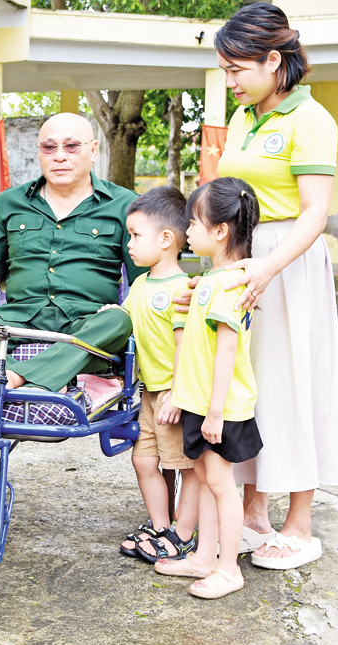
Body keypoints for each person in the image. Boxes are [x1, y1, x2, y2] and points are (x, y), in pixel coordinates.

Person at [201, 2, 338, 569]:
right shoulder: (243, 118)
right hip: (244, 260)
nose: (230, 81)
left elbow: (315, 215)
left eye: (237, 69)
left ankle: (300, 523)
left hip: (289, 263)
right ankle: (254, 511)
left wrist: (267, 267)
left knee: (293, 385)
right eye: (225, 70)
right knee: (246, 386)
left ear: (273, 59)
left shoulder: (312, 120)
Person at [0, 113, 146, 393]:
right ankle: (46, 377)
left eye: (71, 146)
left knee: (119, 321)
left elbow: (145, 279)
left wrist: (129, 308)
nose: (59, 156)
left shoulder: (124, 204)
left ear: (93, 150)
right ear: (39, 152)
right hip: (19, 318)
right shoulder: (10, 202)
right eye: (49, 147)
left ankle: (14, 378)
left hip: (86, 322)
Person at [156, 177, 263, 599]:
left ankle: (228, 568)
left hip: (221, 406)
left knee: (221, 484)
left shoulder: (230, 283)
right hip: (201, 401)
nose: (187, 232)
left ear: (220, 231)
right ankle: (204, 557)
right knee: (202, 475)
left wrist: (215, 411)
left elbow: (227, 352)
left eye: (193, 223)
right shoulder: (211, 279)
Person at [108, 187, 199, 563]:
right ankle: (162, 526)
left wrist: (177, 394)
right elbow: (125, 319)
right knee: (144, 461)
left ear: (165, 239)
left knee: (185, 466)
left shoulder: (180, 290)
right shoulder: (141, 284)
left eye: (135, 235)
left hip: (173, 395)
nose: (128, 243)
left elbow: (185, 348)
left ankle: (185, 534)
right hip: (148, 392)